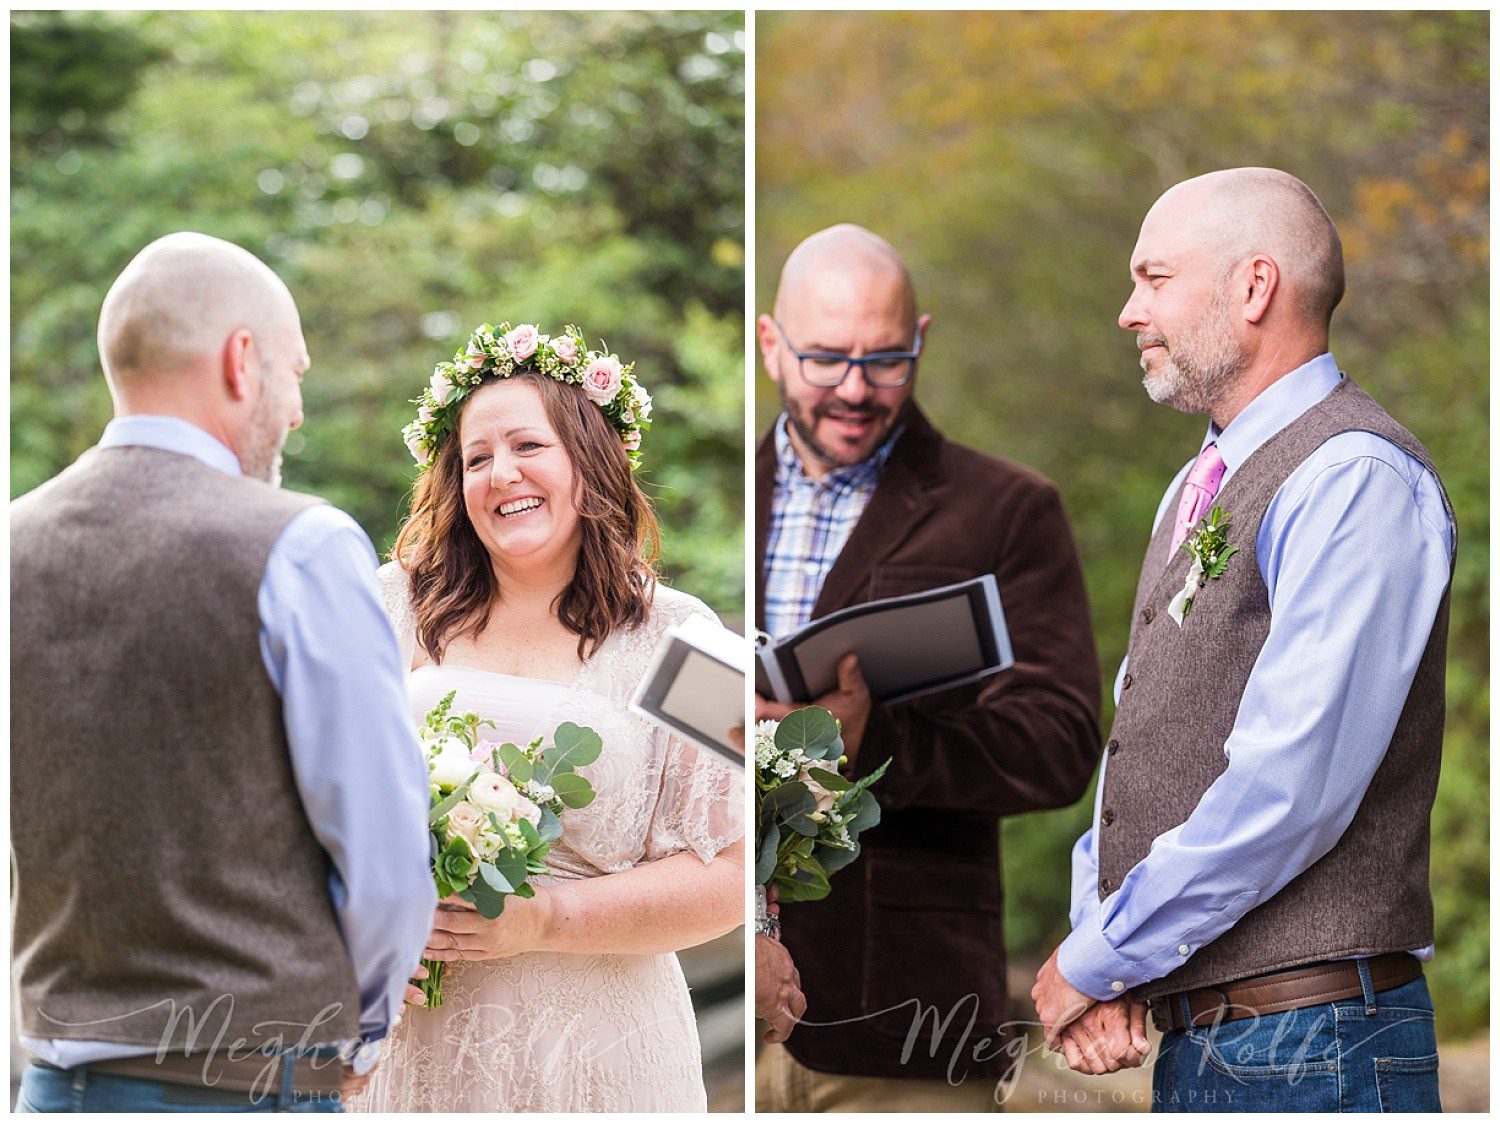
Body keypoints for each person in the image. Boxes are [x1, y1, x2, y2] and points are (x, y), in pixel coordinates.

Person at [1033, 168, 1454, 1113]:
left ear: (1254, 287)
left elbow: (1288, 785)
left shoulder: (1353, 478)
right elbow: (1143, 739)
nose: (1128, 311)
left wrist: (1097, 956)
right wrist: (1103, 946)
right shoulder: (1199, 483)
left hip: (1319, 1044)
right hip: (1223, 1043)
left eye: (1154, 277)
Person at [10, 232, 436, 1112]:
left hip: (55, 1087)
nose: (298, 408)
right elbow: (386, 852)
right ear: (243, 362)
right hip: (250, 1081)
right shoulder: (300, 545)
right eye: (296, 372)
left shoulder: (11, 544)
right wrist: (363, 1024)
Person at [347, 324, 745, 1112]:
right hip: (413, 1047)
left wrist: (546, 918)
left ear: (588, 458)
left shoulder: (688, 636)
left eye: (528, 444)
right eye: (476, 457)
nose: (502, 474)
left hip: (605, 1056)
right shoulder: (386, 604)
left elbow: (732, 877)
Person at [753, 225, 1102, 1110]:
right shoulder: (677, 503)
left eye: (888, 360)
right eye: (826, 359)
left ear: (923, 341)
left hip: (903, 1018)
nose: (857, 390)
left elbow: (1059, 742)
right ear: (769, 345)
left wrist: (881, 740)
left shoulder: (1008, 508)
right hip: (692, 1010)